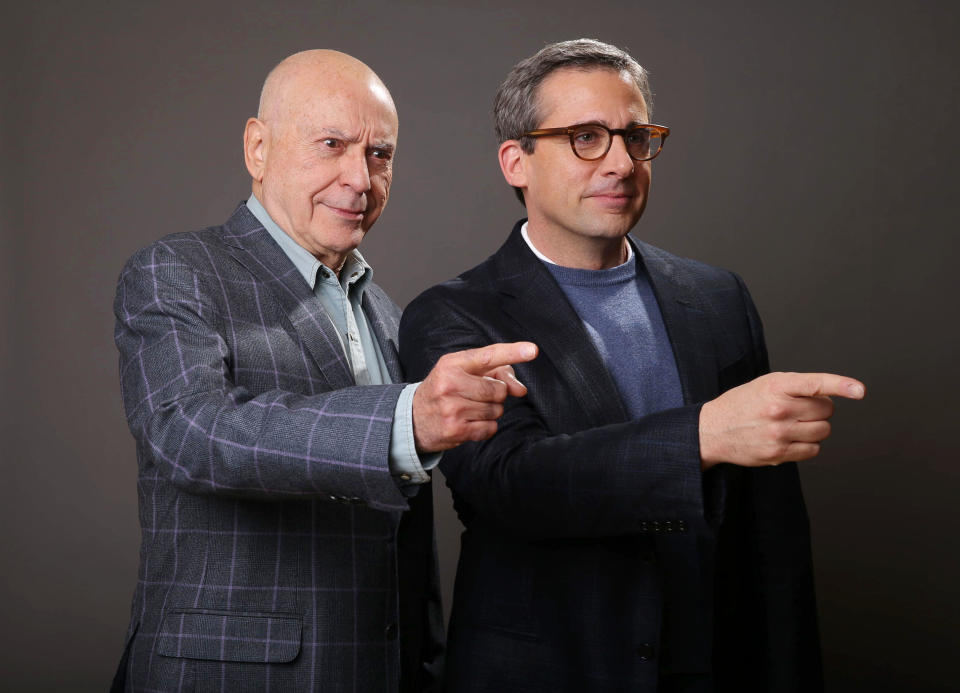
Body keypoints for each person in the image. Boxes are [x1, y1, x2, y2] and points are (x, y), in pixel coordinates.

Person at [399, 39, 865, 693]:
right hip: (549, 673)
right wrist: (702, 435)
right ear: (516, 161)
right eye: (586, 137)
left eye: (636, 136)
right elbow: (512, 485)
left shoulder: (718, 297)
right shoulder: (452, 317)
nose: (621, 162)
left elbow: (773, 541)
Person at [111, 49, 534, 692]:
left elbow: (404, 535)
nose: (359, 179)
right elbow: (191, 431)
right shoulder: (178, 271)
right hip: (231, 675)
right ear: (258, 148)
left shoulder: (393, 318)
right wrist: (404, 419)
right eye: (331, 144)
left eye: (379, 154)